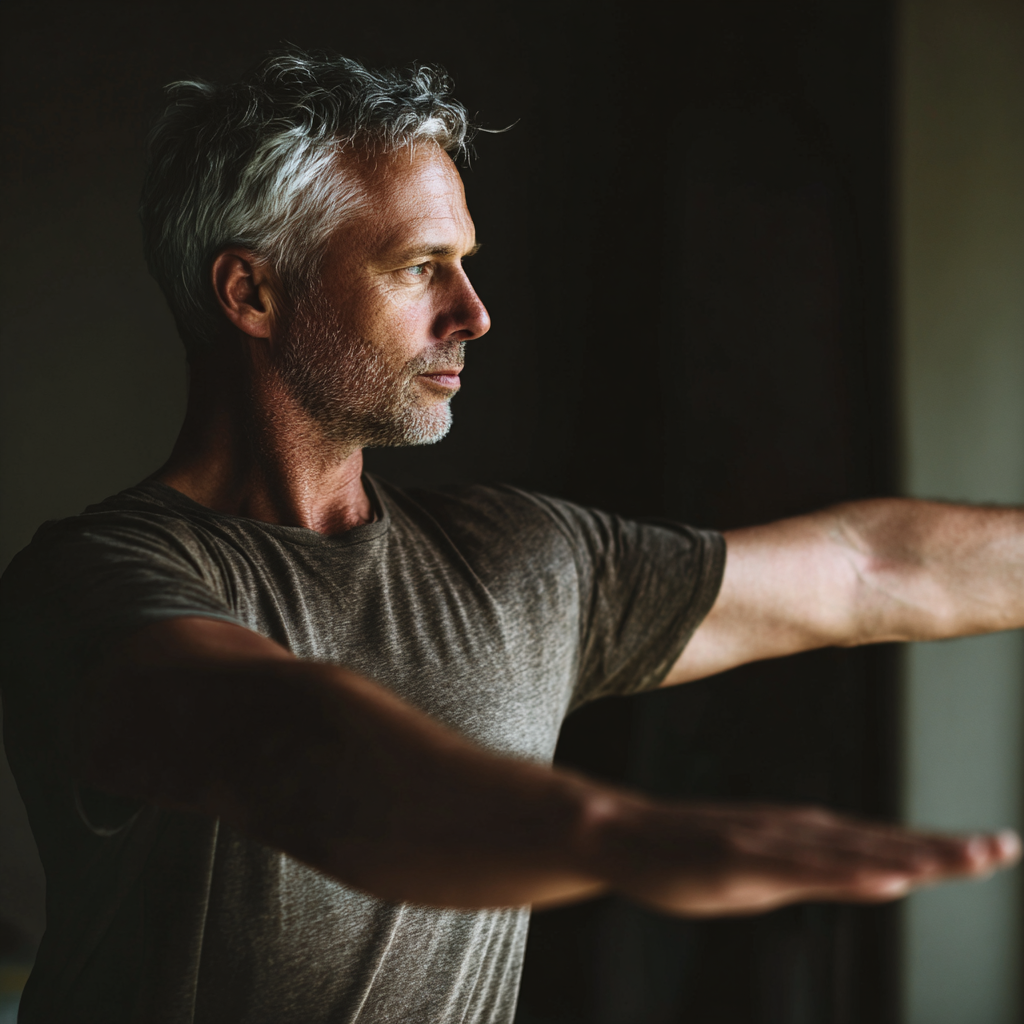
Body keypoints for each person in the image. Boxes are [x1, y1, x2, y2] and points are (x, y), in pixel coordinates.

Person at [0, 48, 1020, 1024]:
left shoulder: (517, 556)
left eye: (466, 264)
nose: (475, 313)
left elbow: (864, 570)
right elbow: (288, 747)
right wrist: (620, 836)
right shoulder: (92, 584)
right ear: (251, 292)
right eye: (419, 267)